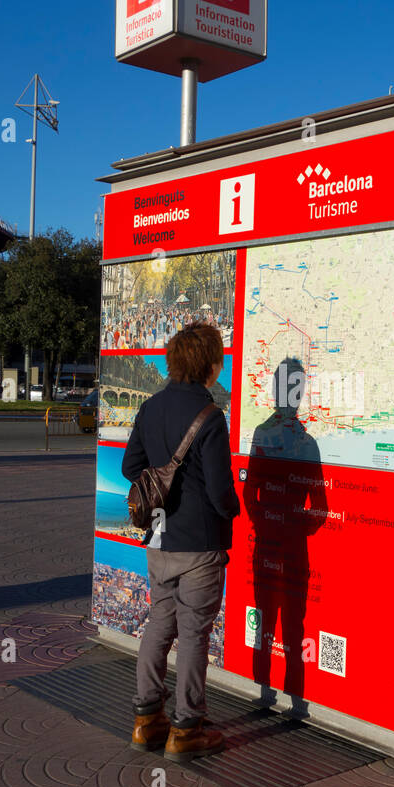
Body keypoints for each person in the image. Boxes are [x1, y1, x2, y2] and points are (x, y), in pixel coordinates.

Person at [122, 322, 239, 761]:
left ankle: (146, 720)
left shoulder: (150, 407)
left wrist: (161, 493)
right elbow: (220, 491)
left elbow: (132, 465)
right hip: (199, 544)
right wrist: (231, 512)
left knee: (158, 625)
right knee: (193, 636)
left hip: (159, 538)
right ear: (210, 365)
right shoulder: (210, 416)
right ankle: (187, 728)